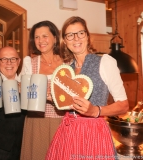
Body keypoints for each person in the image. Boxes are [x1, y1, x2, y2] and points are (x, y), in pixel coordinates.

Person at [46, 16, 129, 160]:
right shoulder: (66, 70)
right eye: (70, 35)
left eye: (80, 33)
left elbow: (123, 106)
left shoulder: (105, 62)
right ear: (65, 41)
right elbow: (63, 109)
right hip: (68, 132)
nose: (76, 38)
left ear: (87, 36)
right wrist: (54, 99)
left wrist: (96, 110)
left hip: (94, 132)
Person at [20, 20, 68, 160]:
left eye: (45, 36)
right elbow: (22, 90)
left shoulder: (67, 62)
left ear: (55, 37)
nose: (40, 40)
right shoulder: (30, 62)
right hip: (37, 121)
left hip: (62, 120)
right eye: (36, 37)